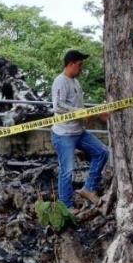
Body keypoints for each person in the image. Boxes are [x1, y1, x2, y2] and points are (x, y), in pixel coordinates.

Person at [50, 50, 109, 209]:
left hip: (79, 132)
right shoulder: (60, 81)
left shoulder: (76, 82)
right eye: (80, 65)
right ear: (71, 64)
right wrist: (80, 113)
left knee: (102, 152)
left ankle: (88, 189)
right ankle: (66, 206)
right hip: (63, 135)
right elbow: (59, 106)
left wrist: (96, 114)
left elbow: (79, 108)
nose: (81, 68)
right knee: (67, 171)